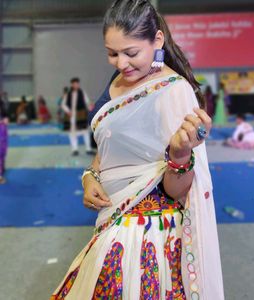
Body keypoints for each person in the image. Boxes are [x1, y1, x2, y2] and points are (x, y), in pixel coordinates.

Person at [51, 1, 224, 299]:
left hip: (148, 237)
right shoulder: (119, 79)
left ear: (157, 40)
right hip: (110, 221)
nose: (121, 63)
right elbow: (108, 146)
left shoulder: (172, 90)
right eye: (112, 53)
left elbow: (178, 191)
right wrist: (90, 175)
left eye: (131, 53)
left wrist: (181, 154)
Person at [61, 78, 94, 156]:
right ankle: (74, 149)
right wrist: (68, 111)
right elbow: (63, 104)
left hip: (81, 115)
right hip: (71, 116)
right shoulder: (68, 94)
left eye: (77, 83)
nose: (76, 85)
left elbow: (87, 102)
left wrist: (91, 107)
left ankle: (88, 149)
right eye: (74, 83)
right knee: (72, 133)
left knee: (85, 131)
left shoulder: (82, 93)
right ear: (72, 84)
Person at [0, 96, 9, 184]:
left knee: (2, 152)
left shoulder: (2, 105)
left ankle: (2, 169)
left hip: (2, 131)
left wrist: (4, 121)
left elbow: (6, 120)